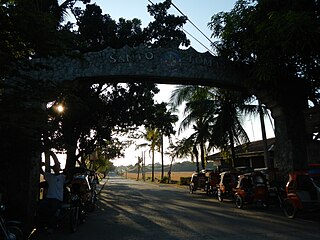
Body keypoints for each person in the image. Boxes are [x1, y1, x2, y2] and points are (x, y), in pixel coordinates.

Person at [38, 155, 66, 232]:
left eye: (58, 167)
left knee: (52, 210)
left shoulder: (63, 177)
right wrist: (41, 165)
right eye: (55, 167)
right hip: (48, 198)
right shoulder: (49, 176)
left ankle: (51, 227)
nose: (56, 168)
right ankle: (41, 225)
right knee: (40, 207)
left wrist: (54, 157)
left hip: (57, 199)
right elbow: (41, 171)